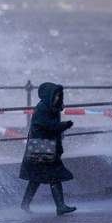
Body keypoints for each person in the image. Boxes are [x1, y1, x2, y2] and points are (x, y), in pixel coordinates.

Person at [19, 82, 76, 215]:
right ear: (49, 95)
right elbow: (48, 126)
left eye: (59, 95)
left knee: (37, 177)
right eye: (55, 95)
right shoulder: (42, 108)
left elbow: (52, 126)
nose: (57, 98)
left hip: (45, 146)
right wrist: (64, 125)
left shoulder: (51, 108)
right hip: (41, 146)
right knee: (52, 176)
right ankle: (60, 206)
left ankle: (26, 203)